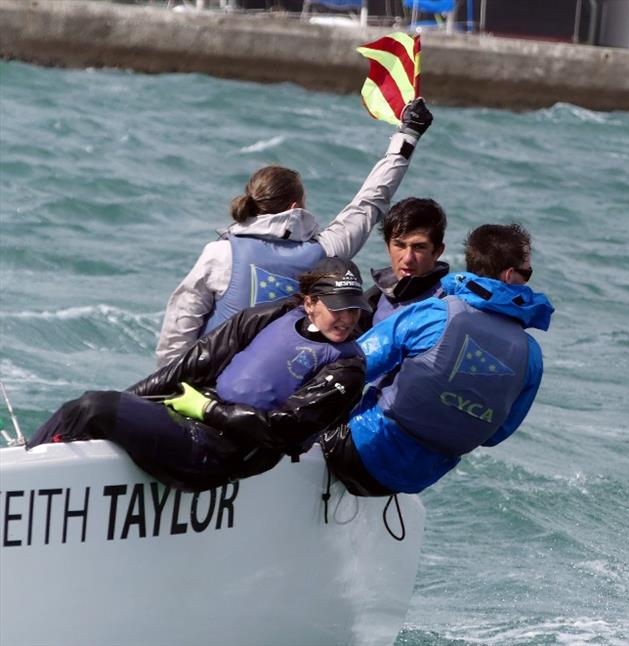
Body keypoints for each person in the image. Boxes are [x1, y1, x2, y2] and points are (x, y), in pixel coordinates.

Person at [28, 258, 371, 492]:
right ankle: (25, 459)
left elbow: (281, 429)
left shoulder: (347, 367)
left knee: (93, 408)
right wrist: (130, 402)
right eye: (338, 307)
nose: (347, 318)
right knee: (94, 408)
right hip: (189, 423)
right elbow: (191, 366)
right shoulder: (275, 315)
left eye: (354, 308)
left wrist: (207, 410)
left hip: (217, 454)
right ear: (310, 302)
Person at [156, 98, 434, 367]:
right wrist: (407, 136)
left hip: (206, 383)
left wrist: (168, 381)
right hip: (279, 390)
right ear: (295, 207)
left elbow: (180, 322)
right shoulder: (325, 254)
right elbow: (371, 200)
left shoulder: (220, 253)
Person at [319, 221, 555, 495]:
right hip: (415, 481)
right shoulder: (532, 355)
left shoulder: (435, 312)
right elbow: (497, 434)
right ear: (509, 275)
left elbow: (351, 365)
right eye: (528, 272)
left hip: (354, 450)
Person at [358, 197, 449, 332]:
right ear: (387, 247)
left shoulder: (449, 306)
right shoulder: (373, 299)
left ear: (438, 251)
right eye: (399, 245)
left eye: (419, 247)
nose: (407, 259)